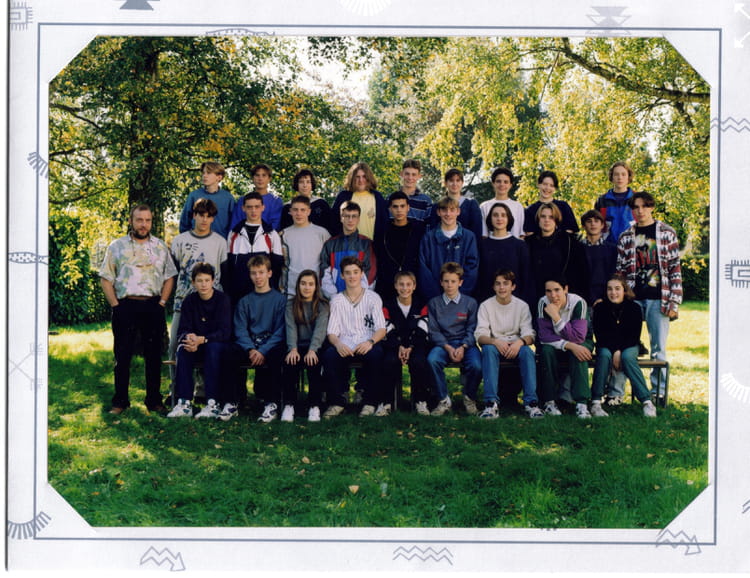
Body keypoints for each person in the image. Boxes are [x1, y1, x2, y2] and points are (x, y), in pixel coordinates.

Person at [99, 204, 177, 415]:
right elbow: (105, 278)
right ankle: (120, 402)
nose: (144, 224)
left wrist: (162, 302)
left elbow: (170, 276)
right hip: (125, 306)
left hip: (153, 305)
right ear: (131, 221)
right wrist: (115, 305)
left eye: (147, 220)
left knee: (153, 356)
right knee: (122, 356)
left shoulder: (160, 246)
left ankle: (154, 401)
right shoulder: (117, 247)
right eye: (139, 220)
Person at [616, 191, 682, 399]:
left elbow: (674, 268)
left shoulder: (667, 233)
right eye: (636, 207)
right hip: (632, 299)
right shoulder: (626, 236)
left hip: (659, 298)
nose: (640, 211)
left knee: (658, 348)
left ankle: (658, 393)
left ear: (651, 207)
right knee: (625, 345)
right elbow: (620, 271)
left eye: (644, 206)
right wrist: (622, 297)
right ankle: (617, 393)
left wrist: (674, 302)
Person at [168, 198, 228, 397]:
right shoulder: (179, 241)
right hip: (183, 302)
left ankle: (203, 391)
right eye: (201, 215)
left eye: (208, 216)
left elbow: (224, 273)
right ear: (194, 215)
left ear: (213, 218)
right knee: (176, 346)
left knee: (207, 345)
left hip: (211, 305)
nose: (204, 220)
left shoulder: (220, 242)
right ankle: (176, 391)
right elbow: (173, 272)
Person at [322, 257, 387, 418]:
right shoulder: (336, 300)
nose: (352, 276)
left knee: (376, 355)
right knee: (330, 355)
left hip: (367, 341)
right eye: (348, 273)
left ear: (361, 274)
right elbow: (332, 332)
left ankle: (369, 402)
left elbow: (381, 329)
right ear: (342, 275)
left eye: (355, 272)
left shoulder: (373, 297)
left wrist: (370, 342)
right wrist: (338, 344)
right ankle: (337, 402)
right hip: (345, 342)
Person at [167, 263, 234, 419]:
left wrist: (203, 339)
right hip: (196, 346)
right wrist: (189, 338)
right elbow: (182, 330)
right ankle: (184, 403)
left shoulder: (222, 300)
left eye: (207, 280)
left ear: (213, 281)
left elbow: (225, 332)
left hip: (216, 346)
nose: (203, 284)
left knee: (212, 348)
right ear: (193, 282)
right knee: (183, 349)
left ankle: (213, 403)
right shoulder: (189, 301)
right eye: (199, 281)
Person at [475, 269, 542, 419]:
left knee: (527, 352)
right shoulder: (486, 306)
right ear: (493, 287)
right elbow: (480, 336)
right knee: (487, 350)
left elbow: (530, 334)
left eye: (506, 283)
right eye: (498, 284)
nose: (502, 287)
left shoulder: (522, 306)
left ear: (513, 286)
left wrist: (520, 342)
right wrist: (495, 341)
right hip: (495, 345)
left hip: (516, 345)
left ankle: (531, 403)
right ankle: (491, 404)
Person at [229, 254, 288, 422]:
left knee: (277, 354)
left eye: (261, 272)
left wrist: (263, 350)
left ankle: (271, 403)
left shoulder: (280, 300)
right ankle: (233, 401)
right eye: (254, 273)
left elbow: (281, 330)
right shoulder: (244, 301)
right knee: (230, 353)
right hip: (250, 346)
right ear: (250, 275)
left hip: (270, 346)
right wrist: (251, 349)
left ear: (269, 273)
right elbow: (240, 329)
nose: (258, 277)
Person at [591, 274, 658, 418]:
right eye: (609, 289)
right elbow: (600, 335)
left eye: (617, 288)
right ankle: (595, 402)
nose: (613, 292)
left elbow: (634, 335)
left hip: (630, 344)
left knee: (627, 357)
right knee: (604, 355)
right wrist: (615, 350)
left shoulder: (634, 308)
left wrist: (619, 351)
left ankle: (647, 402)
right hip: (606, 345)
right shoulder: (600, 308)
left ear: (624, 290)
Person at [426, 262, 482, 416]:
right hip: (444, 344)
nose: (449, 285)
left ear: (460, 282)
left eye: (453, 281)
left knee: (477, 365)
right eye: (446, 281)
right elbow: (434, 331)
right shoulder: (434, 303)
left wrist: (463, 346)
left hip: (466, 345)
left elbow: (472, 328)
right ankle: (443, 400)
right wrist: (448, 347)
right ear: (441, 282)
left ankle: (469, 398)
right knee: (432, 360)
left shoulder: (470, 303)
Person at [536, 276, 595, 419]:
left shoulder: (578, 302)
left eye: (557, 290)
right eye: (548, 291)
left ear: (565, 289)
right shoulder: (543, 302)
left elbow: (578, 337)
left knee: (580, 351)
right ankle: (549, 402)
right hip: (553, 343)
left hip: (581, 340)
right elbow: (544, 336)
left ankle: (581, 403)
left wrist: (556, 318)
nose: (553, 295)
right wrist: (569, 345)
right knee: (546, 351)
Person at [281, 270, 330, 423]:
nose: (307, 287)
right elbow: (290, 327)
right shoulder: (291, 304)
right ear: (298, 285)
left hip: (316, 345)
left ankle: (314, 405)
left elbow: (320, 330)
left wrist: (313, 350)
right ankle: (289, 405)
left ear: (316, 287)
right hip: (297, 344)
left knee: (313, 364)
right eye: (303, 284)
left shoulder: (322, 305)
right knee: (290, 362)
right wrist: (293, 349)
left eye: (310, 284)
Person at [382, 271, 431, 415]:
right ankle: (386, 403)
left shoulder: (422, 304)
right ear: (395, 286)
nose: (405, 288)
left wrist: (411, 347)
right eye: (401, 284)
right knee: (389, 361)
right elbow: (386, 327)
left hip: (416, 345)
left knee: (419, 362)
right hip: (394, 345)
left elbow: (423, 328)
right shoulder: (387, 304)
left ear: (414, 286)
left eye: (408, 284)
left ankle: (420, 401)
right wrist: (398, 346)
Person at [525, 202, 589, 305]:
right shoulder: (528, 243)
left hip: (563, 298)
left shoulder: (570, 242)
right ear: (538, 219)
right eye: (543, 216)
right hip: (536, 297)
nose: (547, 220)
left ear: (556, 220)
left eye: (551, 217)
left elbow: (580, 273)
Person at [225, 192, 283, 303]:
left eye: (257, 207)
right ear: (243, 208)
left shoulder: (271, 234)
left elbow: (277, 266)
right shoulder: (234, 234)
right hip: (239, 293)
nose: (253, 211)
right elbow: (229, 266)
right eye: (249, 207)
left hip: (264, 294)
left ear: (263, 208)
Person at [418, 196, 479, 300]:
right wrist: (435, 297)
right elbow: (424, 269)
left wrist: (460, 295)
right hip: (435, 298)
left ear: (458, 212)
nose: (448, 214)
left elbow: (472, 268)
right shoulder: (428, 238)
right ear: (438, 212)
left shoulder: (469, 237)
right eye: (444, 210)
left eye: (452, 210)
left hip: (461, 298)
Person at [477, 202, 533, 304]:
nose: (499, 219)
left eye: (503, 215)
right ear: (490, 219)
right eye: (495, 215)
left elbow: (526, 277)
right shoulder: (482, 246)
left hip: (515, 302)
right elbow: (479, 277)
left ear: (509, 218)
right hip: (487, 302)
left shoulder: (520, 246)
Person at [319, 201, 377, 300]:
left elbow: (370, 273)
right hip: (335, 299)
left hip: (360, 300)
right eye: (346, 216)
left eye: (354, 216)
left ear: (358, 219)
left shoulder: (366, 244)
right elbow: (324, 273)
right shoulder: (330, 244)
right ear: (341, 218)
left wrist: (357, 296)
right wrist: (335, 297)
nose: (350, 220)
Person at [375, 191, 426, 302]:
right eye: (395, 207)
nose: (399, 210)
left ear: (408, 207)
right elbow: (378, 256)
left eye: (402, 206)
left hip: (411, 285)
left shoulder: (418, 230)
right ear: (390, 209)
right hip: (387, 284)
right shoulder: (382, 231)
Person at [280, 195, 331, 297]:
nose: (299, 213)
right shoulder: (283, 235)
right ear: (290, 211)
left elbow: (329, 261)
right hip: (291, 292)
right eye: (295, 210)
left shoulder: (322, 233)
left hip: (315, 293)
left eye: (303, 210)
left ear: (309, 211)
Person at [330, 162, 388, 244]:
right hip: (347, 247)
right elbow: (333, 223)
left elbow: (384, 225)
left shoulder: (377, 197)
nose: (361, 180)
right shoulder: (343, 197)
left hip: (371, 247)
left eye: (364, 176)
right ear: (352, 178)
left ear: (369, 178)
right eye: (357, 177)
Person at [178, 161, 236, 239]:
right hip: (196, 241)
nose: (204, 176)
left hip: (220, 241)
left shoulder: (228, 198)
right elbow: (184, 222)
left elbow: (233, 223)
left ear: (219, 177)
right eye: (203, 173)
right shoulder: (194, 195)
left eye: (208, 173)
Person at [430, 168, 483, 241]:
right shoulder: (437, 206)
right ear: (445, 183)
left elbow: (477, 232)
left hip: (466, 245)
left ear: (462, 183)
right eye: (451, 180)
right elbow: (433, 231)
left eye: (458, 180)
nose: (454, 184)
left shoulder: (471, 205)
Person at [523, 170, 578, 237]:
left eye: (551, 185)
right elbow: (529, 235)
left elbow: (570, 231)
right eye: (545, 184)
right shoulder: (530, 210)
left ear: (555, 189)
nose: (547, 188)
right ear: (538, 185)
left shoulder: (563, 207)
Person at [230, 163, 284, 231]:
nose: (260, 179)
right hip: (244, 235)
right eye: (257, 175)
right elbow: (235, 223)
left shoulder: (276, 201)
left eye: (264, 175)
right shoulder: (242, 200)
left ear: (269, 179)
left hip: (267, 235)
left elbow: (275, 225)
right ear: (252, 178)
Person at [280, 169, 334, 233]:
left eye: (308, 182)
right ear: (297, 184)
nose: (305, 185)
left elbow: (330, 227)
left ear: (312, 184)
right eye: (301, 182)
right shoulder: (288, 207)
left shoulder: (321, 204)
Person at [595, 161, 635, 245]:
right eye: (616, 174)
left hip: (632, 245)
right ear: (612, 177)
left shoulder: (637, 198)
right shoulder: (602, 200)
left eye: (623, 174)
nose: (620, 177)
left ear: (628, 177)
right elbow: (596, 225)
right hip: (608, 246)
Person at [480, 167, 524, 238]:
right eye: (498, 181)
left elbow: (521, 234)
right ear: (493, 184)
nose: (502, 184)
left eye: (506, 182)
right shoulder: (484, 206)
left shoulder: (518, 206)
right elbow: (484, 234)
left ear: (510, 185)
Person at [395, 158, 433, 223]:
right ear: (401, 174)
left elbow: (429, 226)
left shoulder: (426, 201)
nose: (410, 178)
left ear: (419, 176)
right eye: (407, 174)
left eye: (414, 174)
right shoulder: (390, 199)